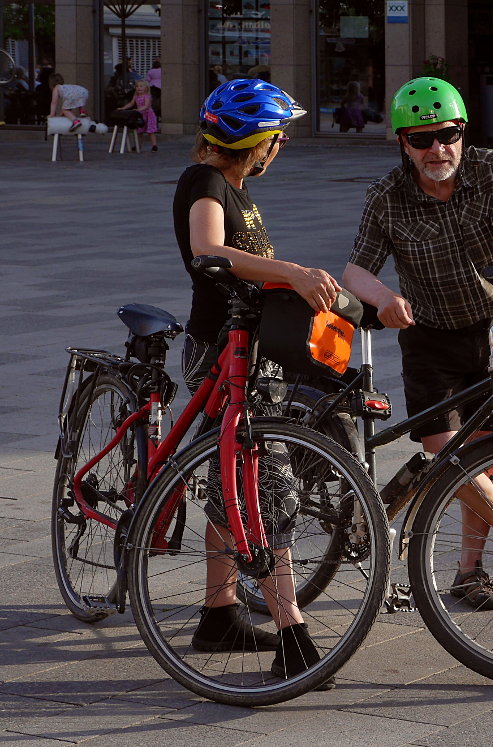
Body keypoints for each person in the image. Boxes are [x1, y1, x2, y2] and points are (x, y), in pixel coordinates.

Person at [173, 78, 341, 688]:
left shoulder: (234, 187)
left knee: (233, 476)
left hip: (251, 349)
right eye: (279, 136)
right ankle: (293, 632)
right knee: (264, 484)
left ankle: (219, 612)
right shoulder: (207, 184)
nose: (283, 145)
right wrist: (292, 271)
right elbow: (207, 249)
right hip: (222, 353)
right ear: (258, 141)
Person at [342, 77, 493, 611]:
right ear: (403, 143)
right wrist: (383, 299)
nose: (437, 149)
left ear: (462, 132)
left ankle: (470, 573)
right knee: (444, 450)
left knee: (485, 457)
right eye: (421, 139)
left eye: (447, 134)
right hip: (427, 336)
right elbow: (356, 269)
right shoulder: (387, 196)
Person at [116, 79, 159, 151]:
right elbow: (131, 103)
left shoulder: (147, 96)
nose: (139, 88)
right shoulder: (136, 96)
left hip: (148, 114)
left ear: (146, 88)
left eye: (141, 86)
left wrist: (139, 109)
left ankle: (154, 145)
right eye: (137, 86)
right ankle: (138, 145)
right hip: (140, 115)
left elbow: (146, 105)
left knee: (151, 131)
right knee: (139, 131)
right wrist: (123, 108)